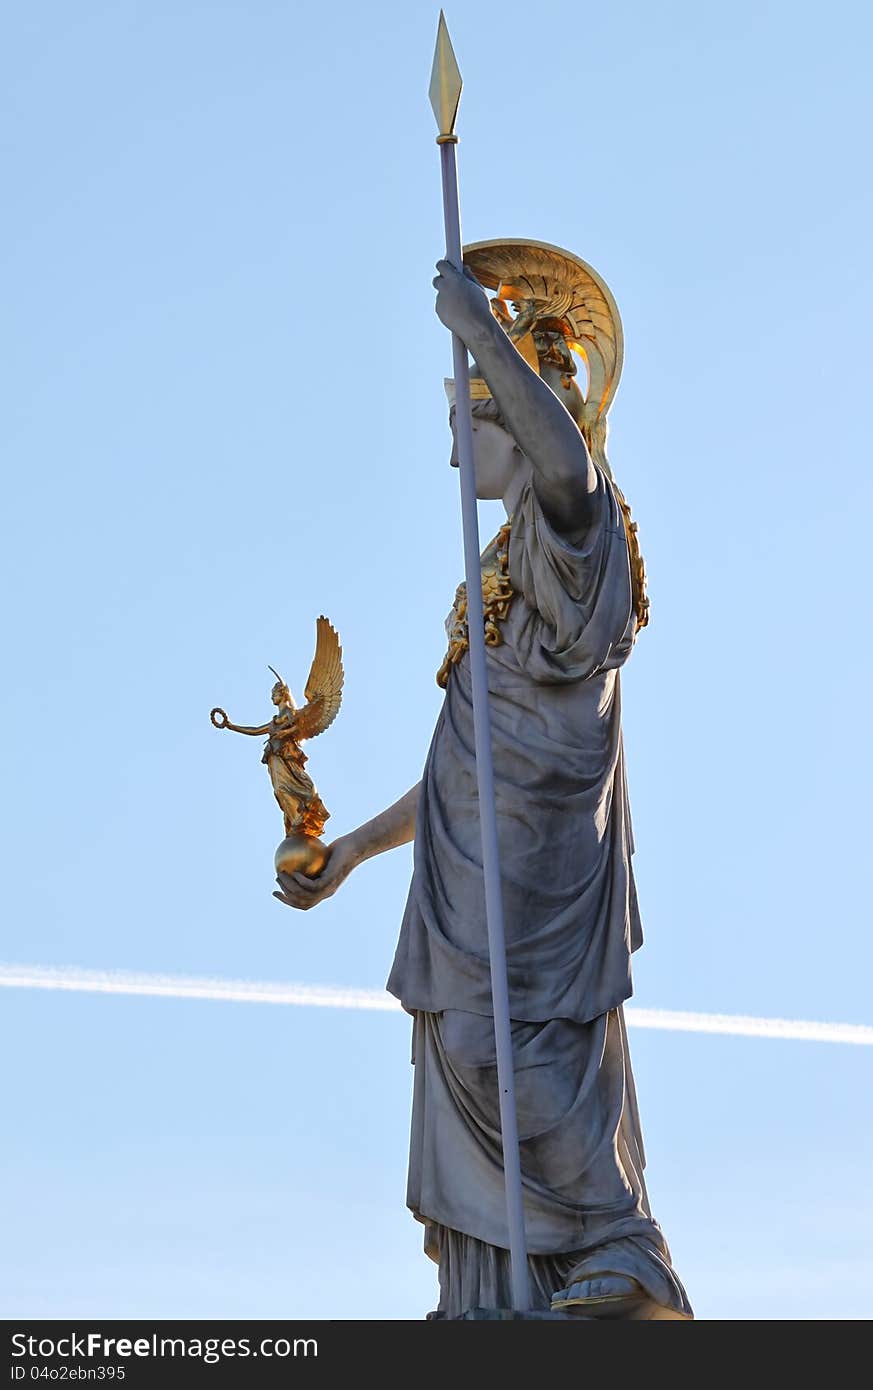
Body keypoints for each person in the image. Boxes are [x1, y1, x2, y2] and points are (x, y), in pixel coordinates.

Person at [274, 240, 692, 1320]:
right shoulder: (495, 573)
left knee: (500, 1043)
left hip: (541, 871)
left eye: (470, 420)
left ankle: (618, 1244)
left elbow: (568, 468)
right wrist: (354, 851)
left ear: (519, 410)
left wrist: (478, 335)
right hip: (464, 882)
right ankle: (505, 1295)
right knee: (461, 1052)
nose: (456, 450)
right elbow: (460, 757)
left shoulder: (573, 538)